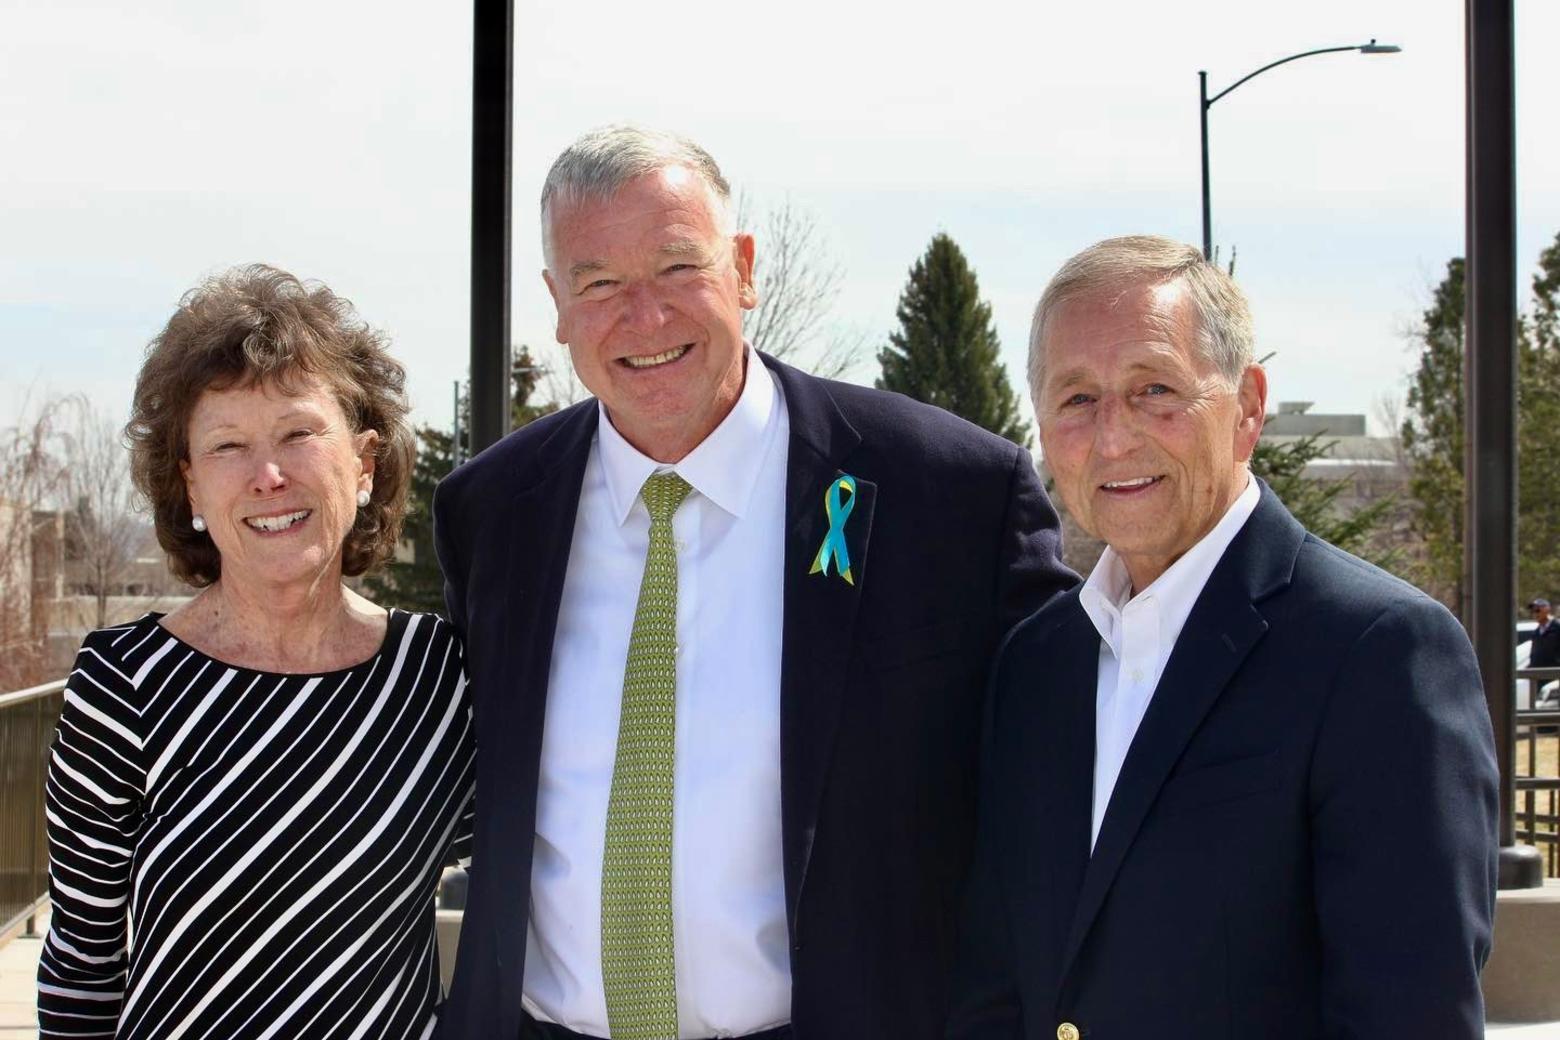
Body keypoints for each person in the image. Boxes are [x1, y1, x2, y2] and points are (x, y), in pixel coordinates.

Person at [432, 125, 1074, 1040]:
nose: (643, 317)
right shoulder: (492, 511)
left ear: (743, 269)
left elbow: (1056, 796)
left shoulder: (950, 496)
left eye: (676, 268)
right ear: (557, 305)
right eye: (600, 283)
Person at [948, 236, 1498, 1039]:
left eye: (1154, 390)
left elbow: (1409, 1016)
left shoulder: (1378, 653)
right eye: (1077, 400)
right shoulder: (1037, 665)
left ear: (1247, 406)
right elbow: (997, 982)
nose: (1112, 438)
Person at [37, 265, 475, 1040]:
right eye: (228, 446)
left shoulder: (438, 677)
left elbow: (544, 880)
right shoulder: (123, 684)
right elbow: (81, 959)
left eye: (298, 434)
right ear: (193, 490)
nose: (267, 476)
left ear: (363, 465)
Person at [1520, 597, 1560, 668]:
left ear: (1547, 610)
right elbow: (1534, 655)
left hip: (1554, 674)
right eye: (1532, 611)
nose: (1534, 614)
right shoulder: (1536, 633)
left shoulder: (1557, 627)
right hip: (1539, 675)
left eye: (1537, 610)